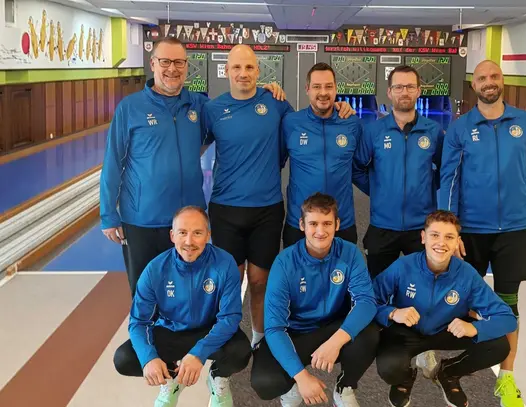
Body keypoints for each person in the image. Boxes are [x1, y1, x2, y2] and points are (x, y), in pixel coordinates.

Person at [100, 37, 284, 296]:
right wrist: (108, 214)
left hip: (189, 220)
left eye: (179, 62)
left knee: (191, 293)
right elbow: (112, 160)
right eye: (165, 61)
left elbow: (237, 111)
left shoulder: (199, 105)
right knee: (146, 292)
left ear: (186, 66)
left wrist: (265, 90)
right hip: (143, 219)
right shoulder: (130, 108)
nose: (172, 69)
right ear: (153, 64)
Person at [203, 45, 355, 348]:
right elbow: (192, 148)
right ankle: (224, 345)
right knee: (229, 283)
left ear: (258, 71)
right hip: (225, 209)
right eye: (237, 67)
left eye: (249, 67)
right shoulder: (213, 109)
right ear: (226, 70)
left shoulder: (276, 103)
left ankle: (260, 341)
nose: (243, 73)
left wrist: (342, 108)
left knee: (261, 282)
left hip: (267, 210)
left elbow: (293, 142)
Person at [437, 59, 526, 407]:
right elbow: (449, 181)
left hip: (514, 230)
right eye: (482, 78)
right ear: (474, 85)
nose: (489, 82)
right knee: (463, 304)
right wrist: (450, 231)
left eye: (494, 76)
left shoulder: (524, 123)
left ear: (502, 81)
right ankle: (456, 367)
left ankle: (507, 377)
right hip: (471, 231)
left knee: (508, 304)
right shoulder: (460, 129)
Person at [373, 210, 517, 407]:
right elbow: (369, 301)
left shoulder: (467, 274)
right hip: (406, 332)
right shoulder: (403, 266)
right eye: (435, 235)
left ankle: (448, 373)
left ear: (457, 241)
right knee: (390, 368)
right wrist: (393, 313)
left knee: (499, 346)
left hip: (446, 330)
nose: (441, 243)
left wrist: (475, 328)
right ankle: (404, 379)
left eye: (449, 237)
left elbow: (507, 318)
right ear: (423, 237)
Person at [113, 206, 251, 407]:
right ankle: (171, 379)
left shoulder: (224, 263)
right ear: (172, 235)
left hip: (210, 330)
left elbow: (230, 318)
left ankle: (218, 377)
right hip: (171, 331)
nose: (189, 241)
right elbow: (138, 322)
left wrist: (198, 353)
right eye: (183, 233)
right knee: (125, 358)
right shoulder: (155, 269)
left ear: (208, 235)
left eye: (197, 233)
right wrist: (149, 358)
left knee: (241, 351)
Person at [250, 193, 379, 407]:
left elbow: (366, 302)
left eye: (327, 223)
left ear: (337, 224)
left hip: (332, 328)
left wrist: (335, 342)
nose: (320, 231)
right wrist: (301, 377)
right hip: (295, 333)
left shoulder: (349, 253)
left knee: (370, 333)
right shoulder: (284, 263)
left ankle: (345, 386)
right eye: (313, 224)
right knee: (264, 382)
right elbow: (274, 328)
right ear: (302, 225)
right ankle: (292, 386)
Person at [353, 65, 447, 279]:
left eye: (410, 87)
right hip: (382, 225)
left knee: (423, 287)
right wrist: (378, 190)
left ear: (418, 91)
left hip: (422, 225)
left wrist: (427, 187)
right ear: (389, 92)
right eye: (398, 87)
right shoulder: (374, 131)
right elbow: (356, 168)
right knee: (379, 288)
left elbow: (445, 169)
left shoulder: (433, 131)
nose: (404, 92)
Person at [280, 62, 363, 248]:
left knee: (343, 267)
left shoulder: (352, 123)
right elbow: (276, 162)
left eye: (328, 86)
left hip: (341, 221)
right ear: (307, 89)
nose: (323, 92)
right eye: (317, 86)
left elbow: (360, 168)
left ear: (336, 89)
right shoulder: (291, 123)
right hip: (301, 222)